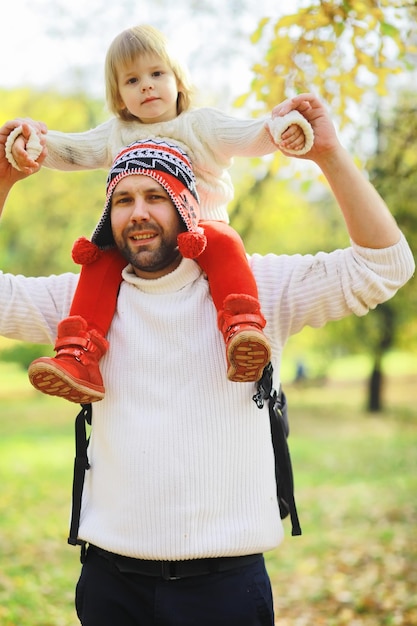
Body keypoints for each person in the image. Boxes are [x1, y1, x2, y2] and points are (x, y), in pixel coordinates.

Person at [0, 93, 414, 626]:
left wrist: (330, 154)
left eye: (156, 195)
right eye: (123, 199)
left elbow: (384, 266)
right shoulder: (81, 304)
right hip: (110, 585)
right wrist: (5, 179)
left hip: (225, 589)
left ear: (187, 206)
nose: (139, 212)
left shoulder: (258, 287)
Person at [5, 24, 314, 403]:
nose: (147, 86)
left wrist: (284, 128)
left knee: (224, 240)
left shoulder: (200, 125)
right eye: (132, 80)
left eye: (156, 74)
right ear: (119, 97)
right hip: (141, 239)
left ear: (179, 82)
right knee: (99, 259)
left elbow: (251, 134)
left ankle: (241, 327)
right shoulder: (115, 134)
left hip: (203, 229)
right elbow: (70, 150)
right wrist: (31, 142)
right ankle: (79, 355)